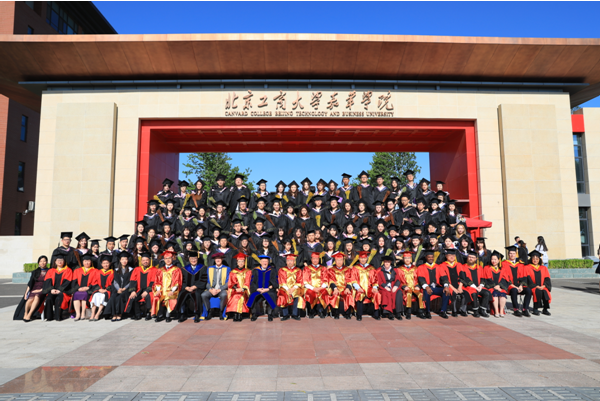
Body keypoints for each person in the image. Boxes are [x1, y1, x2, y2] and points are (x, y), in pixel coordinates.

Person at [417, 250, 450, 319]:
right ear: (426, 257)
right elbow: (421, 278)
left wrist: (446, 286)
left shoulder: (438, 267)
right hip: (427, 287)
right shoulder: (421, 267)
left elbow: (444, 277)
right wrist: (426, 287)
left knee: (446, 291)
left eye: (432, 257)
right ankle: (427, 311)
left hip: (437, 287)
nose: (431, 258)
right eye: (429, 257)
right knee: (426, 292)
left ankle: (443, 311)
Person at [151, 250, 182, 323]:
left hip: (172, 290)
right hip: (162, 290)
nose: (168, 260)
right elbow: (157, 281)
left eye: (169, 258)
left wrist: (172, 291)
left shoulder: (176, 269)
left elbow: (177, 281)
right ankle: (160, 315)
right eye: (166, 258)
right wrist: (158, 290)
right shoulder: (160, 270)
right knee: (156, 297)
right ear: (164, 260)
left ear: (172, 259)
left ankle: (168, 315)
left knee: (169, 298)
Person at [16, 256, 49, 322]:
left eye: (44, 261)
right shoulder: (35, 271)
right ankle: (25, 313)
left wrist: (41, 290)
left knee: (36, 297)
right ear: (38, 263)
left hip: (43, 289)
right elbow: (30, 283)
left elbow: (49, 283)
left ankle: (30, 314)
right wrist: (26, 293)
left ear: (46, 262)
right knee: (30, 299)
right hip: (34, 288)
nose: (42, 262)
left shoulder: (49, 271)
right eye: (41, 261)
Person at [176, 250, 206, 323]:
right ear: (189, 259)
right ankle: (182, 314)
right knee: (181, 294)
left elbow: (204, 279)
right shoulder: (184, 269)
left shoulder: (203, 268)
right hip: (186, 288)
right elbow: (181, 280)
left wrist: (194, 287)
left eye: (195, 258)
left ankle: (197, 314)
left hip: (197, 288)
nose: (193, 260)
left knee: (197, 294)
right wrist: (186, 287)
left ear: (197, 259)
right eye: (192, 259)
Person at [502, 245, 531, 317]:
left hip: (519, 285)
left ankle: (525, 309)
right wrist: (514, 286)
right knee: (514, 290)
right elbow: (504, 277)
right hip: (509, 286)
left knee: (528, 290)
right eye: (510, 253)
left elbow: (524, 276)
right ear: (508, 254)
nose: (512, 255)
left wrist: (521, 285)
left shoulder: (520, 264)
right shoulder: (504, 263)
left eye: (513, 253)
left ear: (516, 254)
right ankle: (516, 309)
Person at [41, 254, 72, 321]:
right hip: (52, 290)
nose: (59, 261)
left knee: (58, 299)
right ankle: (49, 317)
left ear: (64, 261)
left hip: (63, 291)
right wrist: (51, 289)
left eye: (61, 260)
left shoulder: (68, 270)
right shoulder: (51, 270)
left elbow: (68, 282)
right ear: (55, 261)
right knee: (49, 298)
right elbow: (47, 281)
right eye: (58, 260)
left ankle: (58, 316)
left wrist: (60, 290)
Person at [459, 251, 490, 318]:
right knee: (474, 293)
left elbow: (483, 278)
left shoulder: (479, 267)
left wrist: (481, 286)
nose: (471, 259)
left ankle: (482, 310)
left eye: (472, 257)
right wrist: (475, 287)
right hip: (468, 287)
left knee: (486, 293)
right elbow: (464, 278)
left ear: (476, 259)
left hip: (479, 287)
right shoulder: (463, 267)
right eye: (469, 257)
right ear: (467, 258)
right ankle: (475, 311)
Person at [201, 252, 230, 320]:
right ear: (214, 260)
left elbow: (228, 282)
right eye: (216, 258)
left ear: (222, 259)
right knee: (203, 295)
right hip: (212, 289)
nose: (218, 260)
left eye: (219, 258)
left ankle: (221, 312)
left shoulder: (227, 268)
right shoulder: (210, 269)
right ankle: (209, 311)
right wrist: (210, 289)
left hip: (222, 289)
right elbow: (207, 281)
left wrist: (219, 289)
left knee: (224, 295)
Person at [395, 251, 424, 319]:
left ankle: (420, 312)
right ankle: (408, 312)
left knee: (420, 294)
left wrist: (418, 286)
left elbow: (419, 278)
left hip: (415, 287)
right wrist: (404, 286)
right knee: (408, 294)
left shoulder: (416, 268)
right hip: (406, 288)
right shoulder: (399, 269)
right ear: (403, 259)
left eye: (409, 258)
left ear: (411, 259)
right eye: (405, 258)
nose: (407, 260)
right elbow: (398, 280)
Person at [353, 252, 381, 321]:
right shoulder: (355, 268)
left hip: (369, 288)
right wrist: (358, 288)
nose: (363, 260)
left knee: (376, 294)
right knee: (360, 294)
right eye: (361, 258)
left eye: (364, 258)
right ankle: (359, 314)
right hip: (360, 288)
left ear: (367, 259)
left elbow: (375, 280)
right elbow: (353, 280)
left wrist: (374, 287)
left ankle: (376, 314)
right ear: (359, 258)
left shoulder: (371, 268)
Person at [439, 249, 467, 317]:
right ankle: (454, 310)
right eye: (450, 255)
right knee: (453, 293)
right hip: (449, 285)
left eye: (453, 255)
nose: (452, 257)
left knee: (466, 293)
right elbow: (444, 279)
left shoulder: (459, 265)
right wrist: (454, 289)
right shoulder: (442, 265)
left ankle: (462, 310)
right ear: (446, 256)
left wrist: (460, 287)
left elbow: (462, 277)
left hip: (459, 285)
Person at [523, 250, 552, 316]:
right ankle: (535, 309)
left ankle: (545, 309)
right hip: (533, 286)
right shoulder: (527, 267)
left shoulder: (543, 268)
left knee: (545, 291)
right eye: (534, 258)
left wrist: (544, 286)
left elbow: (547, 278)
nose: (535, 260)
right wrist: (536, 286)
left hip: (542, 286)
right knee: (537, 291)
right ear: (531, 259)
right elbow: (527, 279)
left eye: (537, 259)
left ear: (539, 259)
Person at [277, 253, 304, 321]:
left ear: (294, 262)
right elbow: (282, 281)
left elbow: (299, 280)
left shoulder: (298, 270)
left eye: (291, 260)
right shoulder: (282, 270)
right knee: (282, 294)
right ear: (286, 261)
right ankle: (285, 314)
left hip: (295, 288)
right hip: (285, 287)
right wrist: (288, 289)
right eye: (288, 260)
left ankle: (295, 314)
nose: (290, 262)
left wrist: (293, 289)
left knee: (297, 294)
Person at [69, 254, 96, 321]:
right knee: (76, 294)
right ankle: (78, 314)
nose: (87, 263)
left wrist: (88, 287)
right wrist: (78, 288)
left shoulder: (95, 271)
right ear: (83, 262)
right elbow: (74, 281)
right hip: (79, 289)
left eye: (88, 261)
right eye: (85, 261)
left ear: (91, 262)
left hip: (88, 290)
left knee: (84, 294)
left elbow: (96, 282)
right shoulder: (77, 270)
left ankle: (83, 313)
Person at [226, 252, 252, 322]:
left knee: (240, 296)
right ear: (237, 262)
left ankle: (239, 314)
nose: (241, 263)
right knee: (235, 296)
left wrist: (243, 288)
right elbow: (231, 282)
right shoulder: (233, 272)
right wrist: (236, 288)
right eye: (239, 261)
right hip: (235, 290)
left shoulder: (248, 271)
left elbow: (248, 281)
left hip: (245, 290)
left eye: (242, 261)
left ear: (244, 262)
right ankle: (236, 314)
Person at [303, 252, 329, 319]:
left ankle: (321, 311)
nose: (315, 260)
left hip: (321, 288)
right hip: (310, 288)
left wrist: (320, 288)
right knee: (310, 294)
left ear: (319, 259)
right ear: (311, 259)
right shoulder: (307, 268)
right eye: (313, 259)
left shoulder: (323, 268)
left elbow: (326, 280)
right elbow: (305, 281)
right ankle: (312, 311)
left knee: (324, 293)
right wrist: (313, 288)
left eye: (317, 259)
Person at [483, 251, 509, 318]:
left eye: (495, 259)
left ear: (499, 260)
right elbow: (486, 278)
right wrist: (494, 286)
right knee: (495, 294)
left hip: (500, 287)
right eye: (492, 259)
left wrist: (499, 286)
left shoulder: (502, 269)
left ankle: (501, 311)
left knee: (503, 295)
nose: (493, 261)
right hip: (491, 287)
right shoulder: (487, 268)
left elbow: (505, 279)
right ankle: (496, 311)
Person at [89, 254, 114, 321]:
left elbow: (113, 284)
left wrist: (106, 289)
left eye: (107, 263)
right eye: (104, 263)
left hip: (107, 291)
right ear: (101, 264)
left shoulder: (113, 272)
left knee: (103, 296)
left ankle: (97, 314)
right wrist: (99, 289)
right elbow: (94, 282)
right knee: (95, 295)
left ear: (110, 264)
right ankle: (92, 314)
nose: (105, 265)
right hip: (99, 290)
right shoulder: (98, 272)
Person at [376, 253, 399, 320]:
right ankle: (389, 313)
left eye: (388, 262)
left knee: (396, 293)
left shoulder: (394, 270)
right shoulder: (380, 270)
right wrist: (385, 287)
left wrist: (395, 286)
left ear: (390, 262)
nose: (387, 263)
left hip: (393, 286)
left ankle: (394, 311)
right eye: (385, 262)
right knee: (386, 293)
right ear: (383, 262)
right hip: (383, 287)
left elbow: (398, 279)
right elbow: (379, 281)